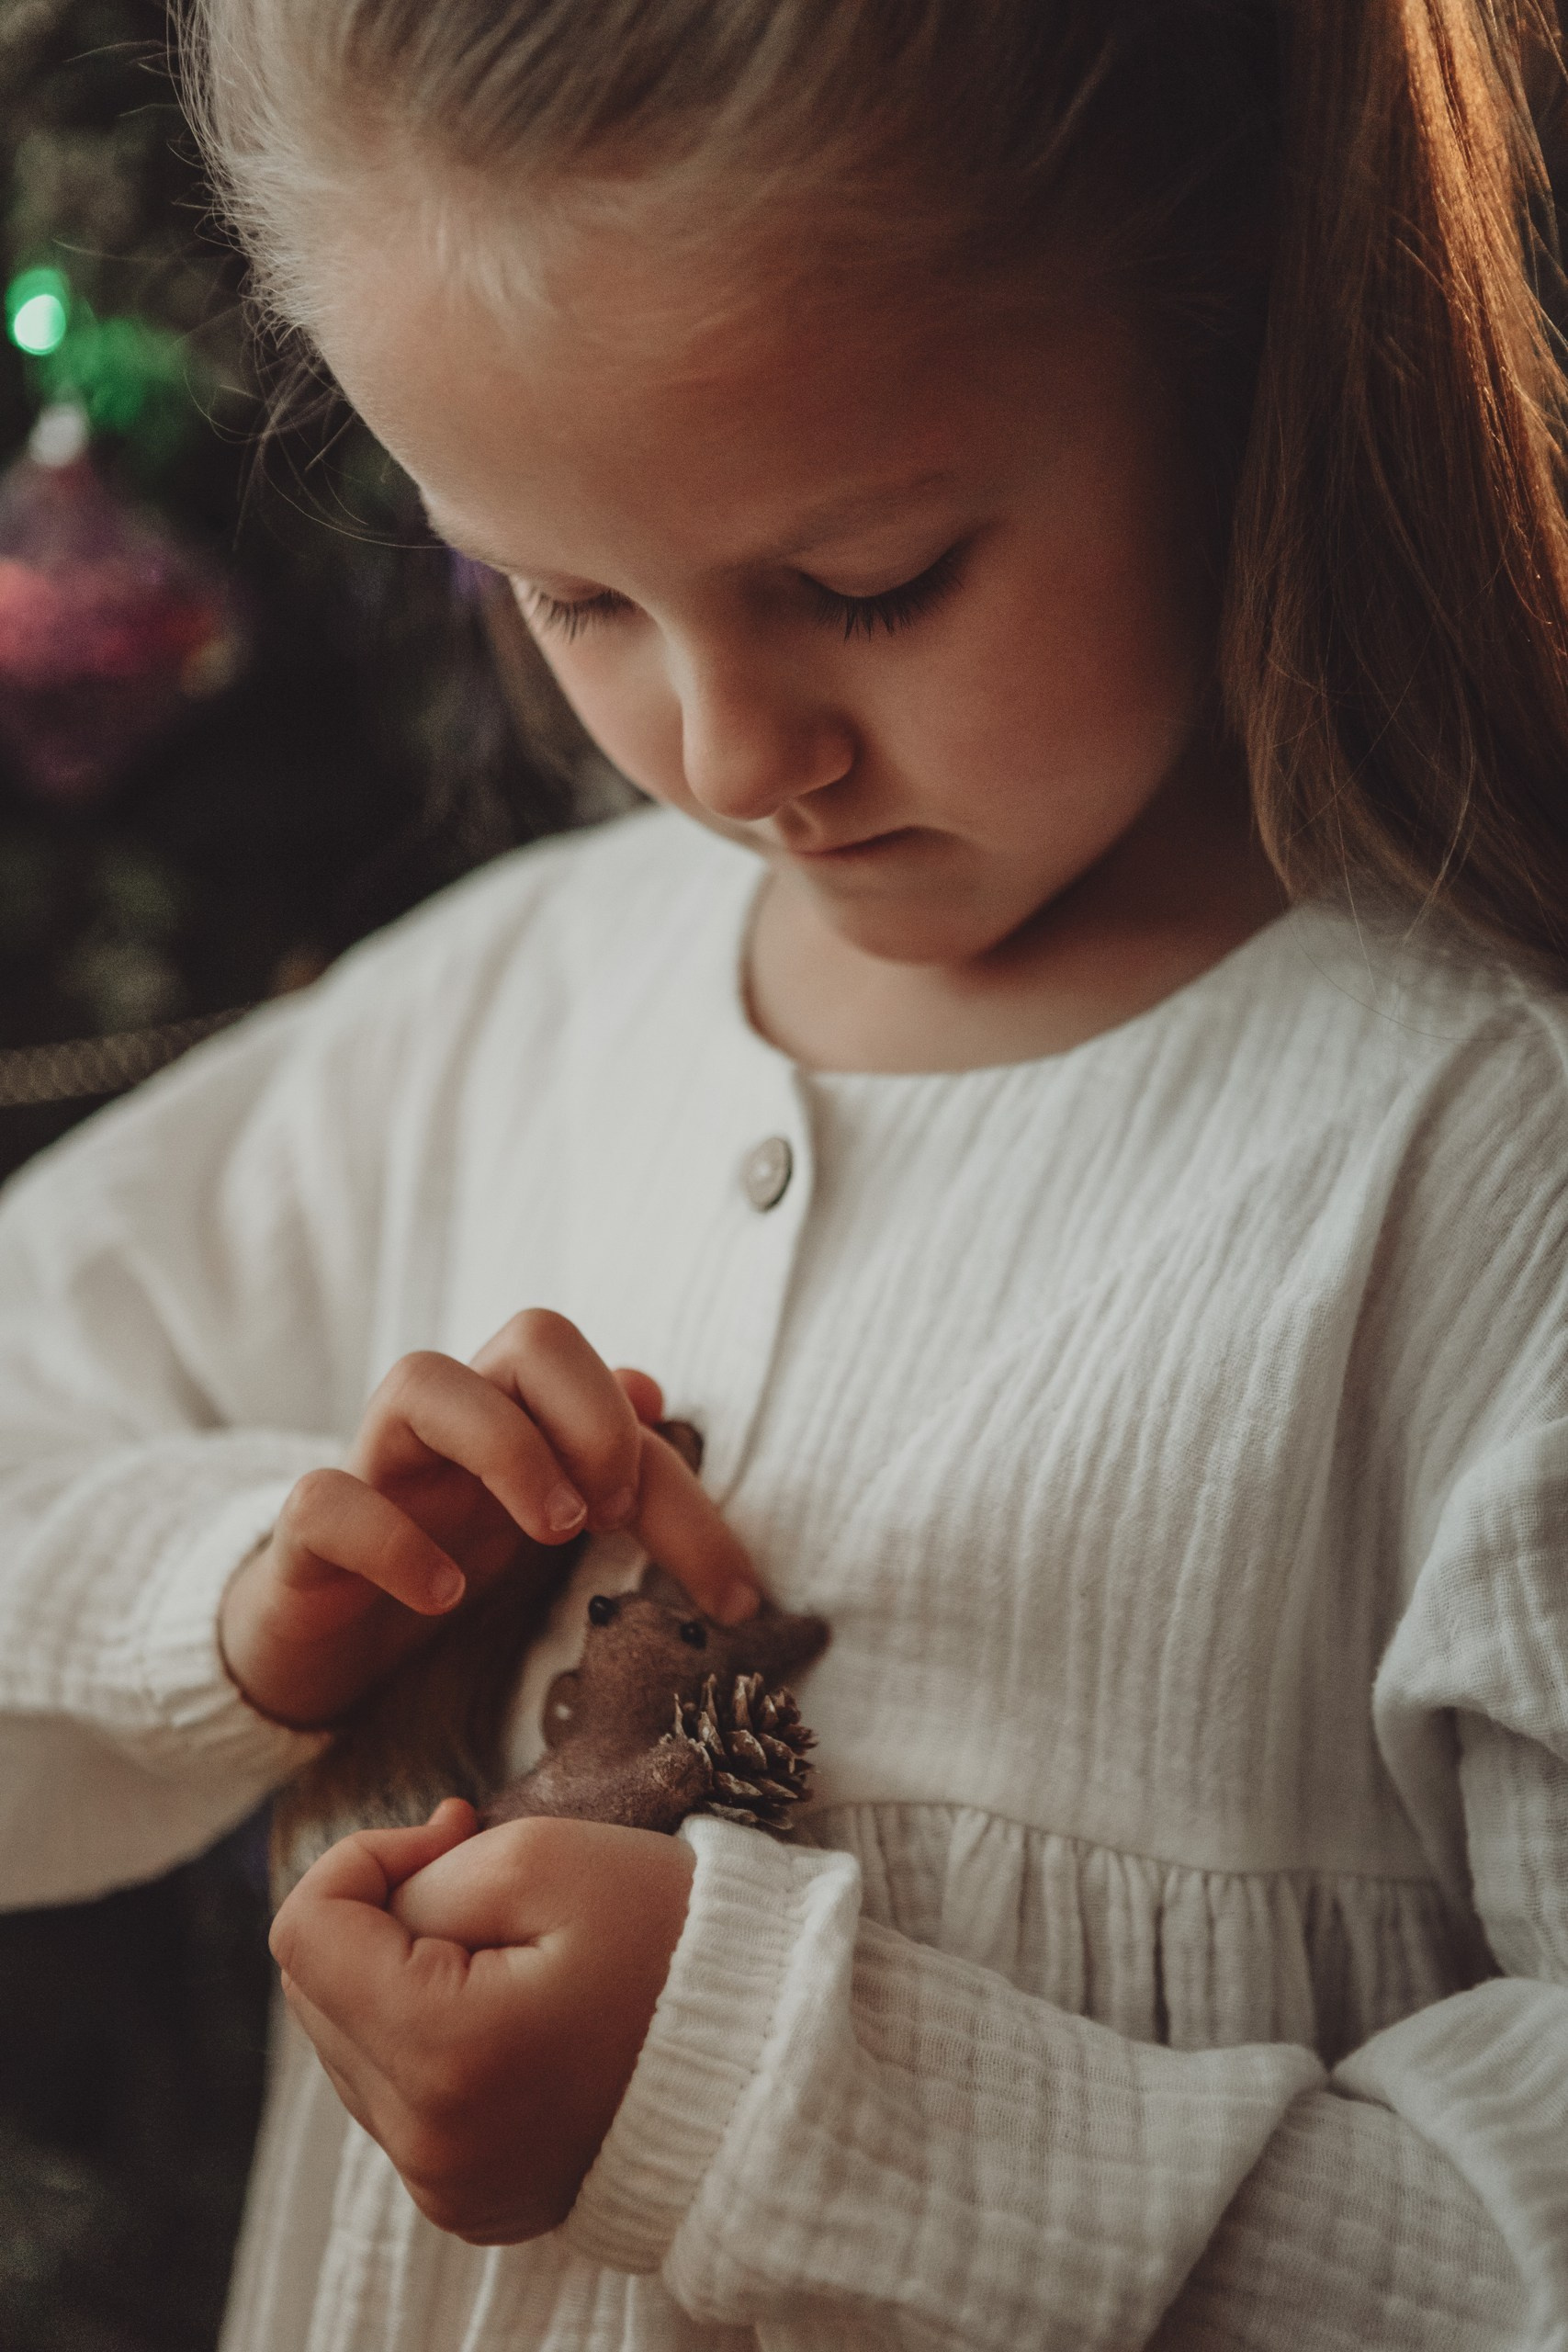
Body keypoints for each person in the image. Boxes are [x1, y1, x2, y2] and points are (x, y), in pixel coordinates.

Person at [4, 0, 1568, 2341]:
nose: (732, 755)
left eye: (866, 580)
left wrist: (771, 2093)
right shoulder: (502, 1007)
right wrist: (227, 1600)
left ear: (1237, 325)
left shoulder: (1484, 1168)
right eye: (569, 595)